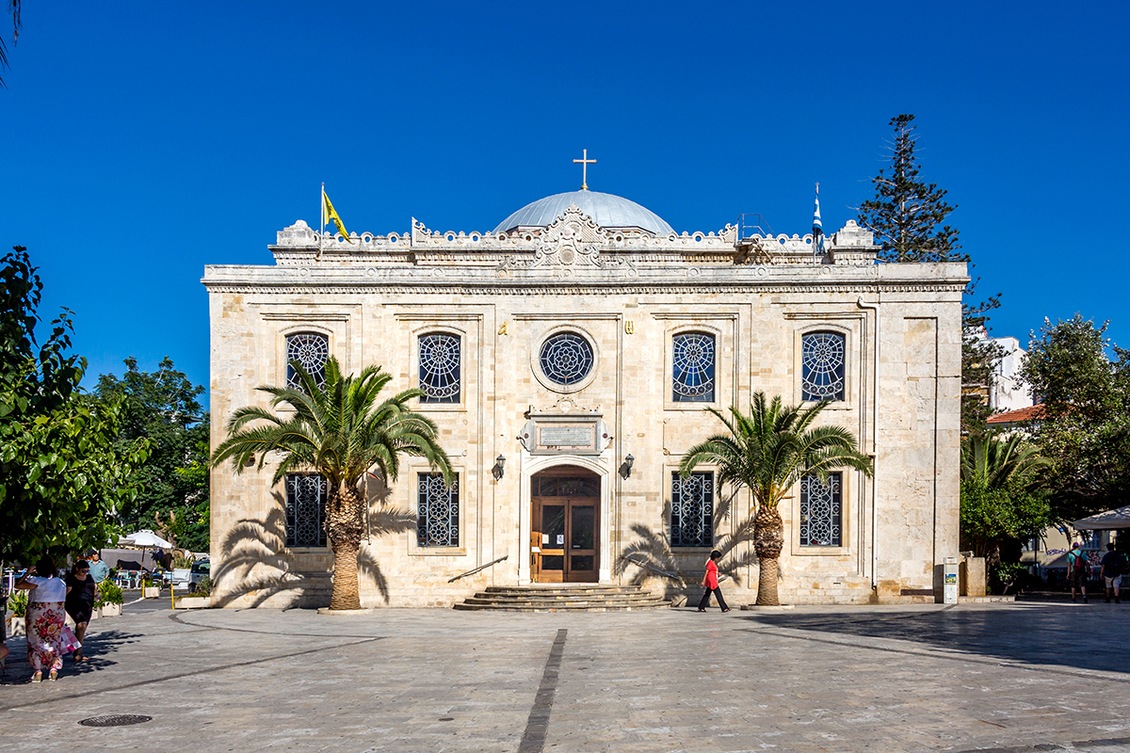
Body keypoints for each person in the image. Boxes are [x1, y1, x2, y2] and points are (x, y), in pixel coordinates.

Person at [14, 556, 77, 682]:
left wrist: (27, 572)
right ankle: (54, 668)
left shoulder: (37, 581)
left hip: (38, 614)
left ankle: (38, 670)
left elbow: (18, 585)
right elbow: (68, 590)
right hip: (56, 613)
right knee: (55, 639)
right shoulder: (60, 582)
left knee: (36, 641)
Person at [65, 560, 96, 661]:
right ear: (77, 569)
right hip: (74, 605)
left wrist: (96, 596)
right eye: (83, 571)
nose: (85, 573)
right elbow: (67, 591)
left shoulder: (89, 578)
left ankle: (76, 651)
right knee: (81, 625)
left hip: (87, 605)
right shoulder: (70, 578)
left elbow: (93, 589)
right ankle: (76, 652)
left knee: (82, 627)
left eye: (87, 571)